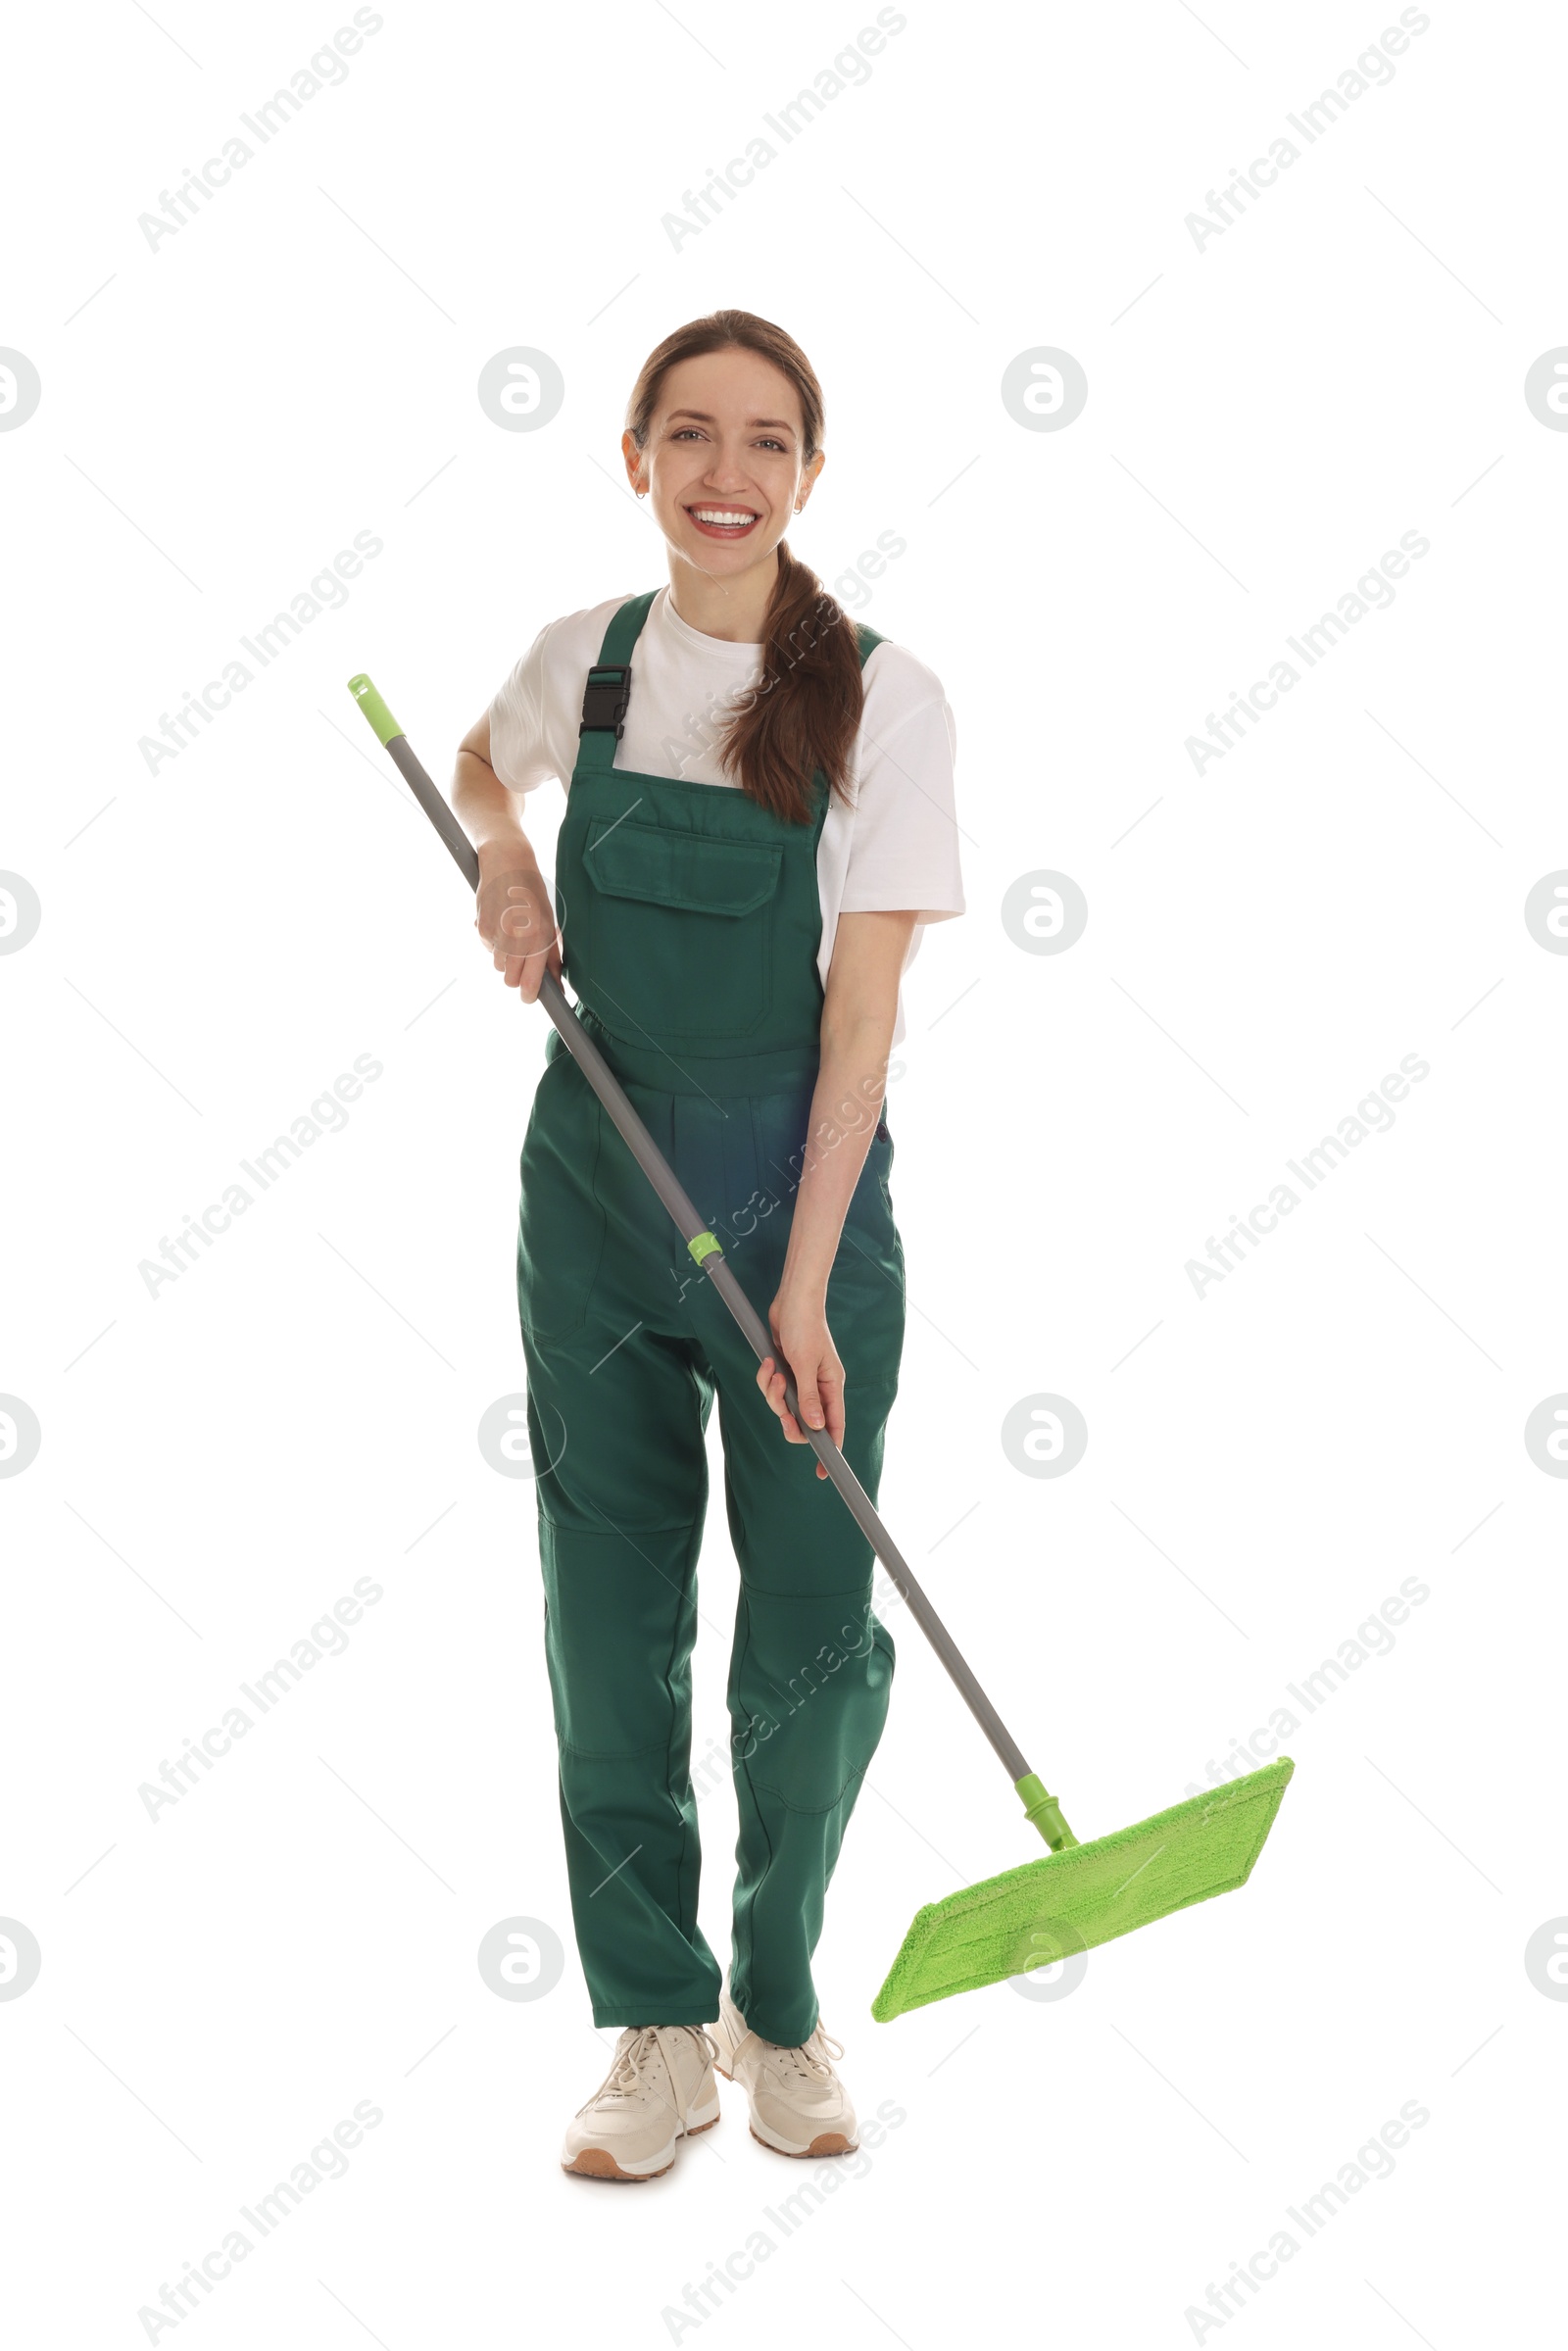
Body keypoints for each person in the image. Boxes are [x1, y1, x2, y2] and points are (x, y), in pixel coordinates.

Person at [452, 310, 963, 2180]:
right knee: (611, 1614)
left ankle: (777, 1997)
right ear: (637, 460)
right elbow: (475, 767)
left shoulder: (886, 699)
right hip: (593, 1193)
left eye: (764, 442)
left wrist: (809, 1278)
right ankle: (653, 2030)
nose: (724, 473)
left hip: (790, 1205)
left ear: (811, 476)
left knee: (817, 1635)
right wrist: (507, 863)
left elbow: (863, 1025)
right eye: (688, 436)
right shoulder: (583, 662)